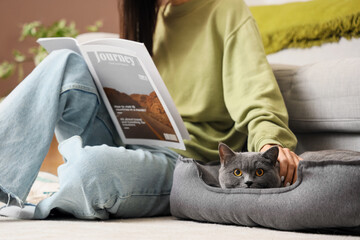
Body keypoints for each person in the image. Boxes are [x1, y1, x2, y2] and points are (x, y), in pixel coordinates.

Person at [0, 0, 301, 219]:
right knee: (64, 61)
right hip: (132, 141)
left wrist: (270, 142)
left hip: (181, 161)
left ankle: (70, 180)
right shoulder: (153, 15)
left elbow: (256, 95)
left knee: (89, 170)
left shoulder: (226, 10)